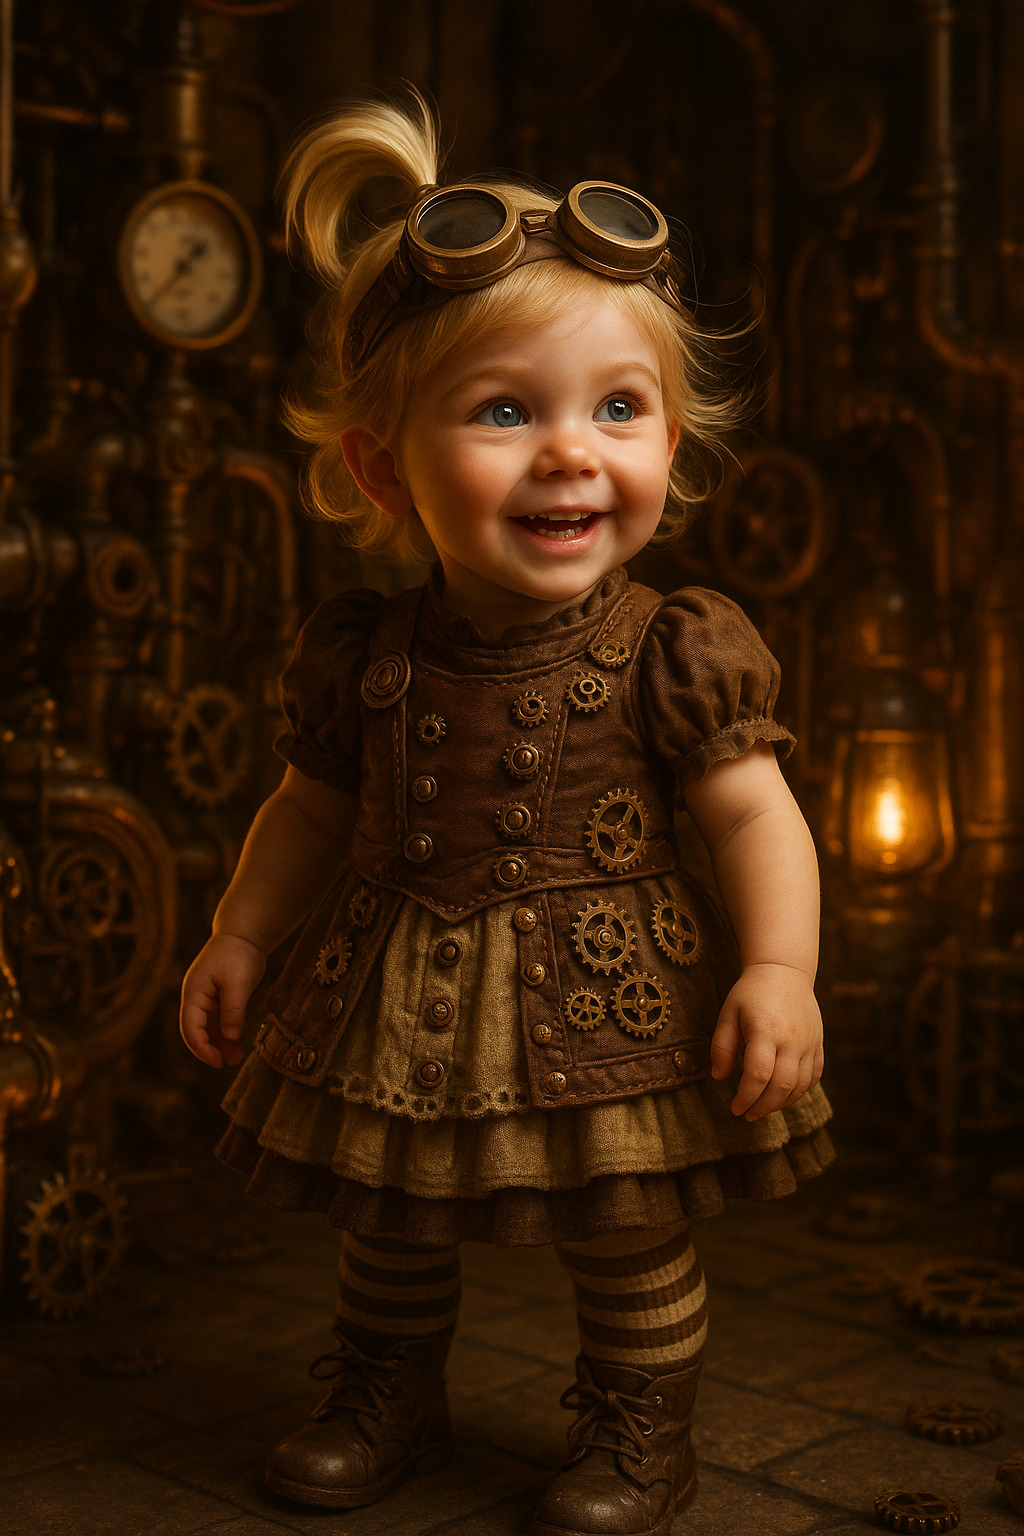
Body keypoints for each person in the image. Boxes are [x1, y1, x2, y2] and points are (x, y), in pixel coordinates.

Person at [179, 91, 832, 1536]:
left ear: (673, 441)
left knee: (629, 1227)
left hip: (614, 1000)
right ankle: (385, 1394)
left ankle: (641, 1428)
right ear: (378, 465)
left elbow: (752, 817)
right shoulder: (368, 648)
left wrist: (780, 968)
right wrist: (240, 931)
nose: (569, 452)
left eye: (618, 408)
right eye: (501, 411)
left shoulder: (678, 644)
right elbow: (304, 807)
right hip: (403, 975)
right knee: (389, 1211)